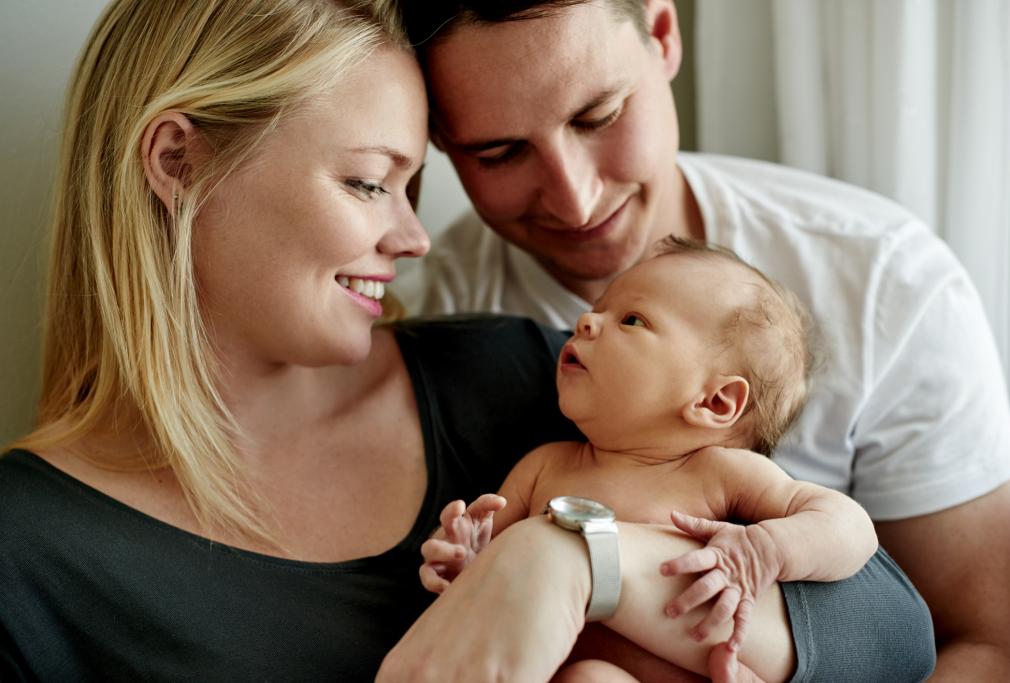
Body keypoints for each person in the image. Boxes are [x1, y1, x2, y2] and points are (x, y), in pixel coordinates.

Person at [0, 1, 933, 681]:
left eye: (415, 188)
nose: (412, 239)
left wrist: (569, 560)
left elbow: (891, 634)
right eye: (370, 184)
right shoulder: (27, 555)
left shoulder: (520, 374)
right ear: (178, 162)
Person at [391, 1, 1010, 679]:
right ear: (440, 141)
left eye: (598, 115)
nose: (575, 200)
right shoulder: (433, 325)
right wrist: (466, 555)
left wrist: (760, 554)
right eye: (499, 152)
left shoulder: (883, 281)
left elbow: (992, 643)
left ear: (664, 34)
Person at [420, 237, 917, 682]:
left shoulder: (717, 474)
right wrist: (465, 559)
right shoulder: (545, 466)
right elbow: (501, 579)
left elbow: (851, 528)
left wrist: (764, 550)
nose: (586, 321)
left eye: (632, 319)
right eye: (597, 309)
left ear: (714, 402)